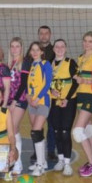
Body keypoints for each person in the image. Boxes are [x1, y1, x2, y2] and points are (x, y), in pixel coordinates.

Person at [72, 31, 92, 177]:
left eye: (90, 41)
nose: (87, 44)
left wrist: (83, 80)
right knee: (88, 129)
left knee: (78, 131)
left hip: (91, 96)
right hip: (80, 95)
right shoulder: (81, 58)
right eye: (85, 41)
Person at [48, 39, 78, 175]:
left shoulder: (70, 63)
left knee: (65, 132)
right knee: (56, 131)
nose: (59, 49)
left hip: (68, 101)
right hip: (54, 101)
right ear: (54, 49)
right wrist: (51, 90)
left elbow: (76, 83)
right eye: (57, 46)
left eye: (62, 46)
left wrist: (67, 98)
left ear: (65, 48)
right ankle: (60, 160)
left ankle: (67, 163)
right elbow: (47, 82)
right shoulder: (49, 63)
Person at [26, 41, 52, 176]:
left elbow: (48, 83)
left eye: (37, 50)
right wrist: (29, 97)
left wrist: (37, 98)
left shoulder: (45, 64)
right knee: (37, 132)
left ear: (42, 52)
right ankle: (42, 162)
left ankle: (40, 165)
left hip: (42, 102)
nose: (35, 52)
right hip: (32, 103)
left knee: (35, 132)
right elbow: (29, 85)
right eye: (33, 50)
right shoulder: (32, 65)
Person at [8, 37, 31, 174]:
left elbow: (23, 84)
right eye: (12, 46)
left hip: (19, 99)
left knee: (13, 128)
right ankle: (12, 162)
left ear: (21, 48)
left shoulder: (25, 62)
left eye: (17, 46)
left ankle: (18, 163)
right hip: (9, 100)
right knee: (12, 130)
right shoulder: (10, 63)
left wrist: (14, 101)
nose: (14, 49)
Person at [37, 25, 57, 161]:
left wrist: (54, 90)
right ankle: (37, 151)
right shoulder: (34, 50)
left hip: (50, 93)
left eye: (46, 33)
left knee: (51, 125)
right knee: (37, 125)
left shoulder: (55, 50)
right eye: (41, 33)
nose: (44, 35)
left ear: (50, 35)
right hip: (36, 94)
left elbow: (56, 73)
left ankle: (51, 151)